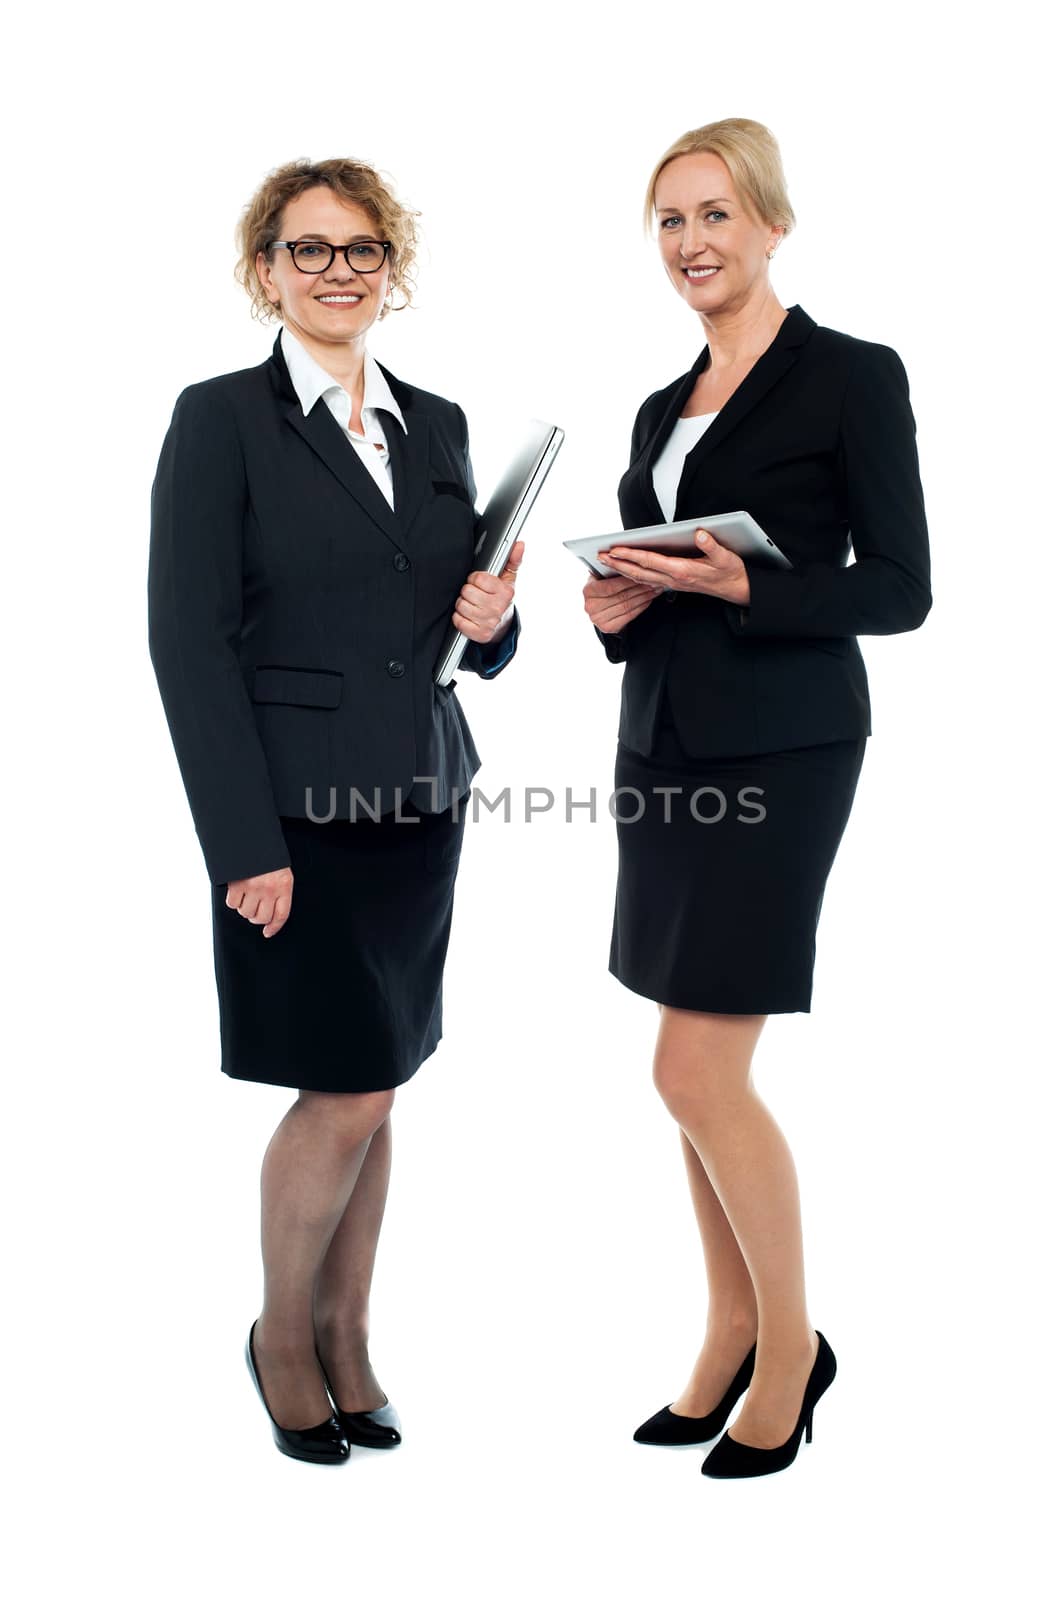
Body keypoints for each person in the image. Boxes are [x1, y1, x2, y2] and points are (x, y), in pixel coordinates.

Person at [148, 158, 522, 1464]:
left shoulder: (441, 422)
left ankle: (351, 1336)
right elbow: (189, 647)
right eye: (308, 251)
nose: (336, 271)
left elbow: (464, 630)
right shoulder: (221, 423)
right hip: (295, 814)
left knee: (381, 1079)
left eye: (361, 250)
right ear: (267, 271)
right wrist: (243, 850)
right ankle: (285, 1339)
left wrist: (494, 621)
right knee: (346, 1090)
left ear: (390, 269)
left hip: (420, 800)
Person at [583, 118, 931, 1479]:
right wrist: (617, 601)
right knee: (689, 1074)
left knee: (693, 1066)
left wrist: (748, 587)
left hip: (780, 753)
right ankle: (730, 1321)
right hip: (661, 744)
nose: (692, 244)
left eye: (715, 214)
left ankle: (792, 1348)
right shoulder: (660, 408)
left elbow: (898, 589)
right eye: (669, 221)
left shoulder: (850, 377)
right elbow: (650, 580)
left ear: (773, 222)